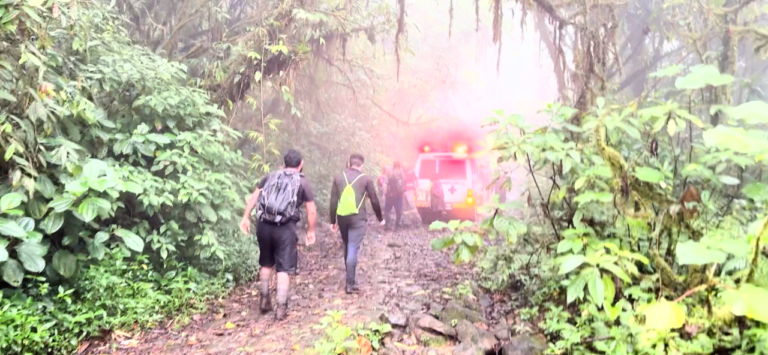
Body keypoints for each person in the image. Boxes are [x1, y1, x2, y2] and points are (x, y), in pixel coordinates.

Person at [239, 149, 317, 320]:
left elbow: (253, 198)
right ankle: (281, 307)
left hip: (264, 225)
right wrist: (311, 231)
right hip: (285, 228)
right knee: (283, 268)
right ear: (301, 164)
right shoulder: (303, 183)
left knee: (266, 263)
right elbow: (311, 210)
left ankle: (264, 299)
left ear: (284, 163)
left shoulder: (269, 177)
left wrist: (245, 217)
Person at [330, 154, 384, 294]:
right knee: (353, 247)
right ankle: (350, 283)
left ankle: (351, 278)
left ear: (349, 163)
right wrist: (380, 218)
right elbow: (374, 199)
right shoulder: (366, 179)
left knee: (347, 245)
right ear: (362, 165)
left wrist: (332, 221)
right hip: (358, 218)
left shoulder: (338, 177)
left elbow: (333, 200)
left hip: (342, 217)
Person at [383, 162, 406, 230]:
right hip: (399, 195)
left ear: (393, 166)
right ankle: (398, 224)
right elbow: (404, 184)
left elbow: (385, 185)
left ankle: (388, 225)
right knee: (399, 210)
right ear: (399, 166)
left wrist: (384, 194)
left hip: (390, 196)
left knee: (387, 210)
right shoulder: (402, 174)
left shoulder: (390, 174)